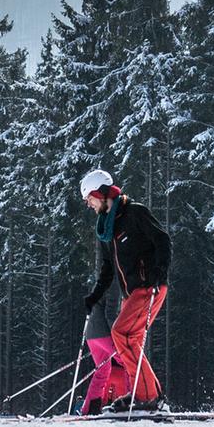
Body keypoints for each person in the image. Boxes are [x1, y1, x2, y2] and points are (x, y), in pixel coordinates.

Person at [81, 169, 171, 412]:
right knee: (130, 342)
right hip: (131, 294)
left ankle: (148, 397)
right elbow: (108, 268)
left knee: (122, 334)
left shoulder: (134, 213)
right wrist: (95, 296)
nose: (89, 204)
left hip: (148, 286)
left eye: (89, 198)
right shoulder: (106, 229)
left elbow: (162, 240)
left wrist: (159, 271)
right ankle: (146, 393)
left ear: (102, 193)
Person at [78, 298, 129, 416]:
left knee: (103, 369)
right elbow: (111, 313)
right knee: (129, 362)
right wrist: (118, 336)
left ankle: (90, 408)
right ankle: (132, 403)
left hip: (92, 334)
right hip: (105, 333)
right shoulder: (114, 286)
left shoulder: (101, 286)